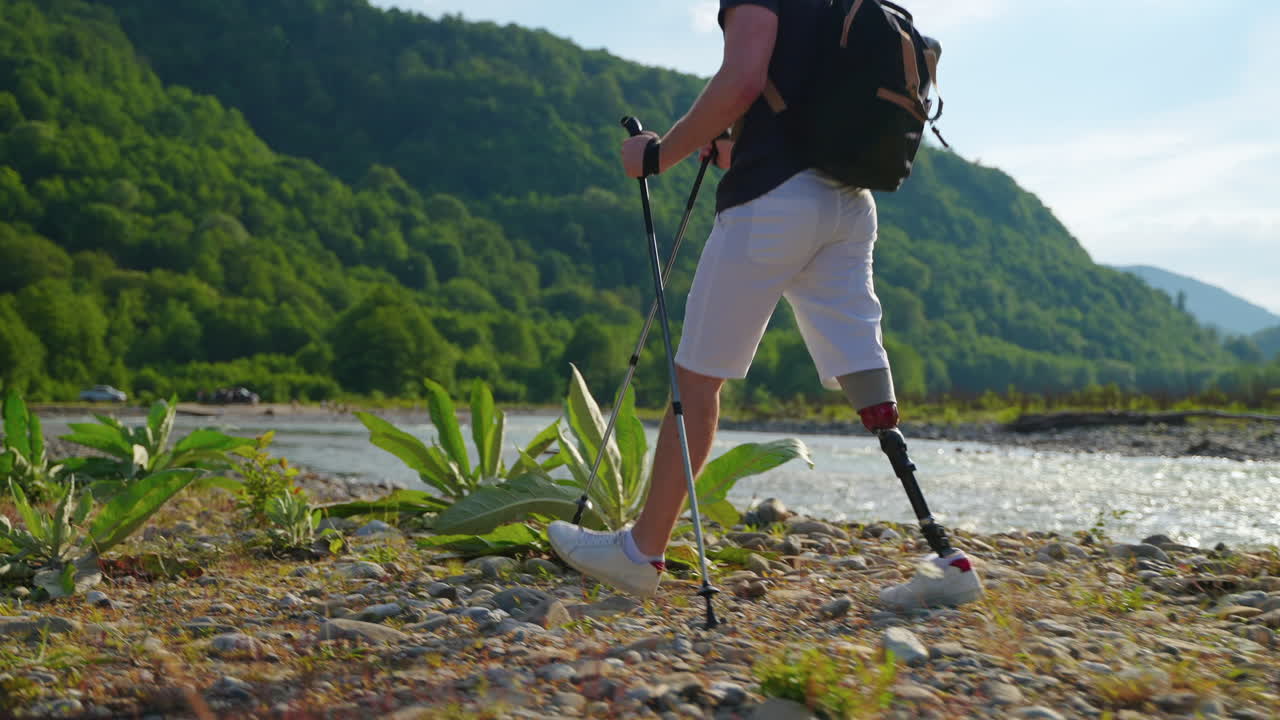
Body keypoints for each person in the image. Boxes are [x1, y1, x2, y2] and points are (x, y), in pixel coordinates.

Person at [547, 0, 982, 611]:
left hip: (773, 203)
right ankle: (946, 556)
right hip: (849, 203)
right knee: (862, 365)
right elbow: (791, 94)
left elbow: (743, 79)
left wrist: (657, 154)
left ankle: (640, 554)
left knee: (697, 380)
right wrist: (736, 141)